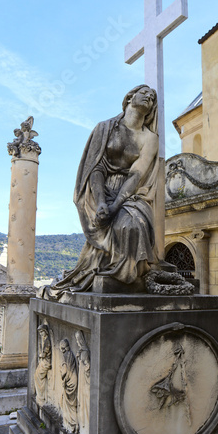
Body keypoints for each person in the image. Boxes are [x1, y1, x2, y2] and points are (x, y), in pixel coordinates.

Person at [44, 84, 159, 298]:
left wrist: (116, 205)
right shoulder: (104, 128)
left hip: (130, 192)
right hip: (100, 189)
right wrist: (101, 203)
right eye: (144, 93)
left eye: (152, 98)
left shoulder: (150, 138)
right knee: (113, 223)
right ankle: (103, 269)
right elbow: (95, 167)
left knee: (133, 226)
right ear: (129, 97)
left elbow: (137, 174)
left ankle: (123, 277)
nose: (149, 97)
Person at [59, 338, 79, 434]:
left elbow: (65, 371)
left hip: (69, 381)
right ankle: (74, 424)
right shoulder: (70, 354)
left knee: (68, 403)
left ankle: (71, 424)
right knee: (71, 404)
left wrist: (63, 379)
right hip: (73, 380)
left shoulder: (65, 356)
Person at [34, 324, 52, 406]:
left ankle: (41, 396)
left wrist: (40, 355)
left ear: (45, 331)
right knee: (37, 376)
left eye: (42, 332)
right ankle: (41, 395)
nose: (40, 334)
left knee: (38, 376)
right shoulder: (44, 339)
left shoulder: (47, 340)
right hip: (44, 361)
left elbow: (44, 354)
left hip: (46, 362)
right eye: (40, 332)